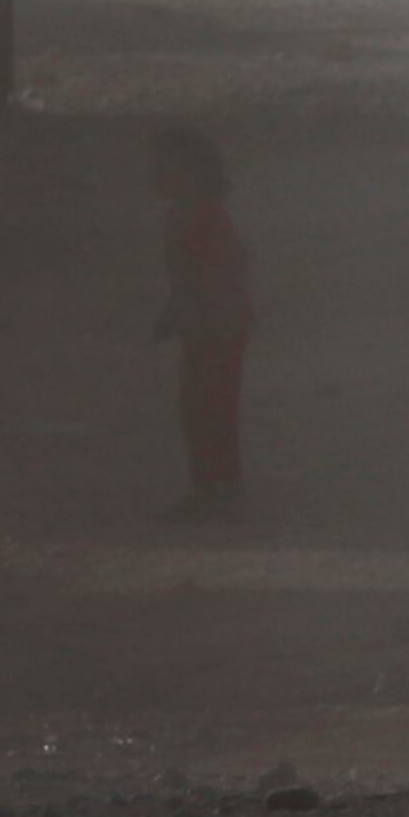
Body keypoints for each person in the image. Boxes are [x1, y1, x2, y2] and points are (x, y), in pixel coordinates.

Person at [151, 126, 256, 522]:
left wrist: (187, 313)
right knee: (203, 405)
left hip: (217, 326)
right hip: (211, 324)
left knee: (206, 406)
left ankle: (215, 487)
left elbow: (219, 272)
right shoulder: (187, 214)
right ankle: (217, 485)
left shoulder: (200, 216)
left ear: (189, 173)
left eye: (163, 166)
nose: (154, 174)